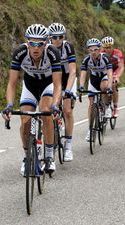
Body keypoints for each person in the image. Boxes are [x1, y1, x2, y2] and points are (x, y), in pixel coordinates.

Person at [1, 24, 62, 176]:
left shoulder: (53, 53)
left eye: (40, 44)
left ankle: (48, 155)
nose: (35, 48)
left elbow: (57, 85)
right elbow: (12, 83)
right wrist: (9, 105)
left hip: (48, 85)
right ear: (27, 42)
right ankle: (27, 156)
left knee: (45, 111)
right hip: (30, 85)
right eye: (32, 43)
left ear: (46, 43)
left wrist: (55, 105)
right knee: (24, 120)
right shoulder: (20, 52)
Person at [48, 23, 76, 162]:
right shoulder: (47, 48)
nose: (57, 39)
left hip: (67, 79)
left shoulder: (68, 47)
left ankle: (68, 146)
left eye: (60, 37)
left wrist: (69, 90)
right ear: (50, 37)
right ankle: (51, 144)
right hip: (53, 79)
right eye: (54, 37)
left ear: (64, 36)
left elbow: (73, 71)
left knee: (67, 110)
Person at [79, 38, 113, 141]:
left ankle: (107, 106)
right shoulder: (86, 60)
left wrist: (110, 87)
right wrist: (81, 87)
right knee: (91, 103)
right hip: (93, 80)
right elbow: (83, 74)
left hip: (104, 77)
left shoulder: (105, 58)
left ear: (100, 49)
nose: (93, 52)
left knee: (104, 86)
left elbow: (110, 73)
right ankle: (90, 129)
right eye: (90, 50)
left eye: (95, 50)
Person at [101, 36, 125, 117]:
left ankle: (115, 107)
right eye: (106, 48)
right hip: (105, 70)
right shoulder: (101, 53)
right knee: (103, 86)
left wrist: (117, 76)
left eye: (109, 47)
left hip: (115, 70)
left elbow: (121, 67)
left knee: (114, 85)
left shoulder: (118, 53)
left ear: (113, 46)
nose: (108, 49)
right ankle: (104, 103)